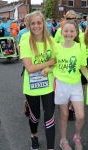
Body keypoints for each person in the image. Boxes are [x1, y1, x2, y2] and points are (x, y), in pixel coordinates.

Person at [45, 20, 87, 150]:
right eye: (66, 31)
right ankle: (63, 140)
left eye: (72, 31)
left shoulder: (81, 47)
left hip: (76, 84)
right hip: (61, 84)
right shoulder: (56, 47)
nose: (68, 33)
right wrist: (48, 69)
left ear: (76, 32)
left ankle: (77, 137)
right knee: (64, 115)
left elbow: (82, 67)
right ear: (61, 32)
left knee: (80, 116)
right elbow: (54, 64)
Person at [20, 11, 56, 150]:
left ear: (44, 24)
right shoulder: (25, 40)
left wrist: (51, 65)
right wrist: (49, 62)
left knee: (49, 116)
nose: (36, 26)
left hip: (48, 86)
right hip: (31, 87)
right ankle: (34, 135)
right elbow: (29, 68)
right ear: (29, 24)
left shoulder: (51, 40)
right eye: (33, 23)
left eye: (39, 23)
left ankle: (50, 148)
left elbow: (56, 63)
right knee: (35, 116)